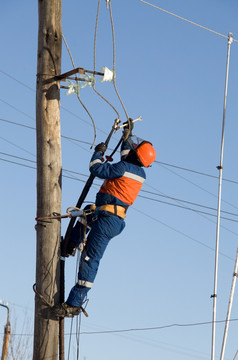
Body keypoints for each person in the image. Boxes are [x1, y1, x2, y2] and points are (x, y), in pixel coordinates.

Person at [52, 129, 156, 317]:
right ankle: (69, 245)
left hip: (108, 220)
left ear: (135, 155)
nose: (130, 148)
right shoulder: (136, 171)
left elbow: (96, 168)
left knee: (90, 259)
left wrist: (98, 153)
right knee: (85, 216)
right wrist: (125, 137)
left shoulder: (123, 168)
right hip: (108, 216)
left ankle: (74, 304)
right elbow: (127, 155)